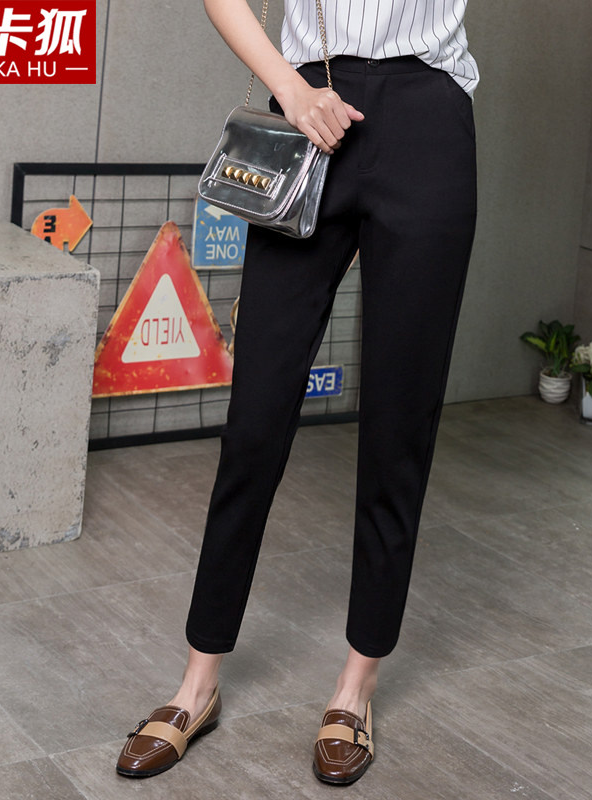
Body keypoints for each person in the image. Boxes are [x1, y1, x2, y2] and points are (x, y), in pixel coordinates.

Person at [116, 0, 478, 785]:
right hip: (312, 106)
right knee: (255, 420)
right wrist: (289, 87)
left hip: (429, 122)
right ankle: (197, 684)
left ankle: (356, 687)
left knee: (400, 422)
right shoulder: (300, 93)